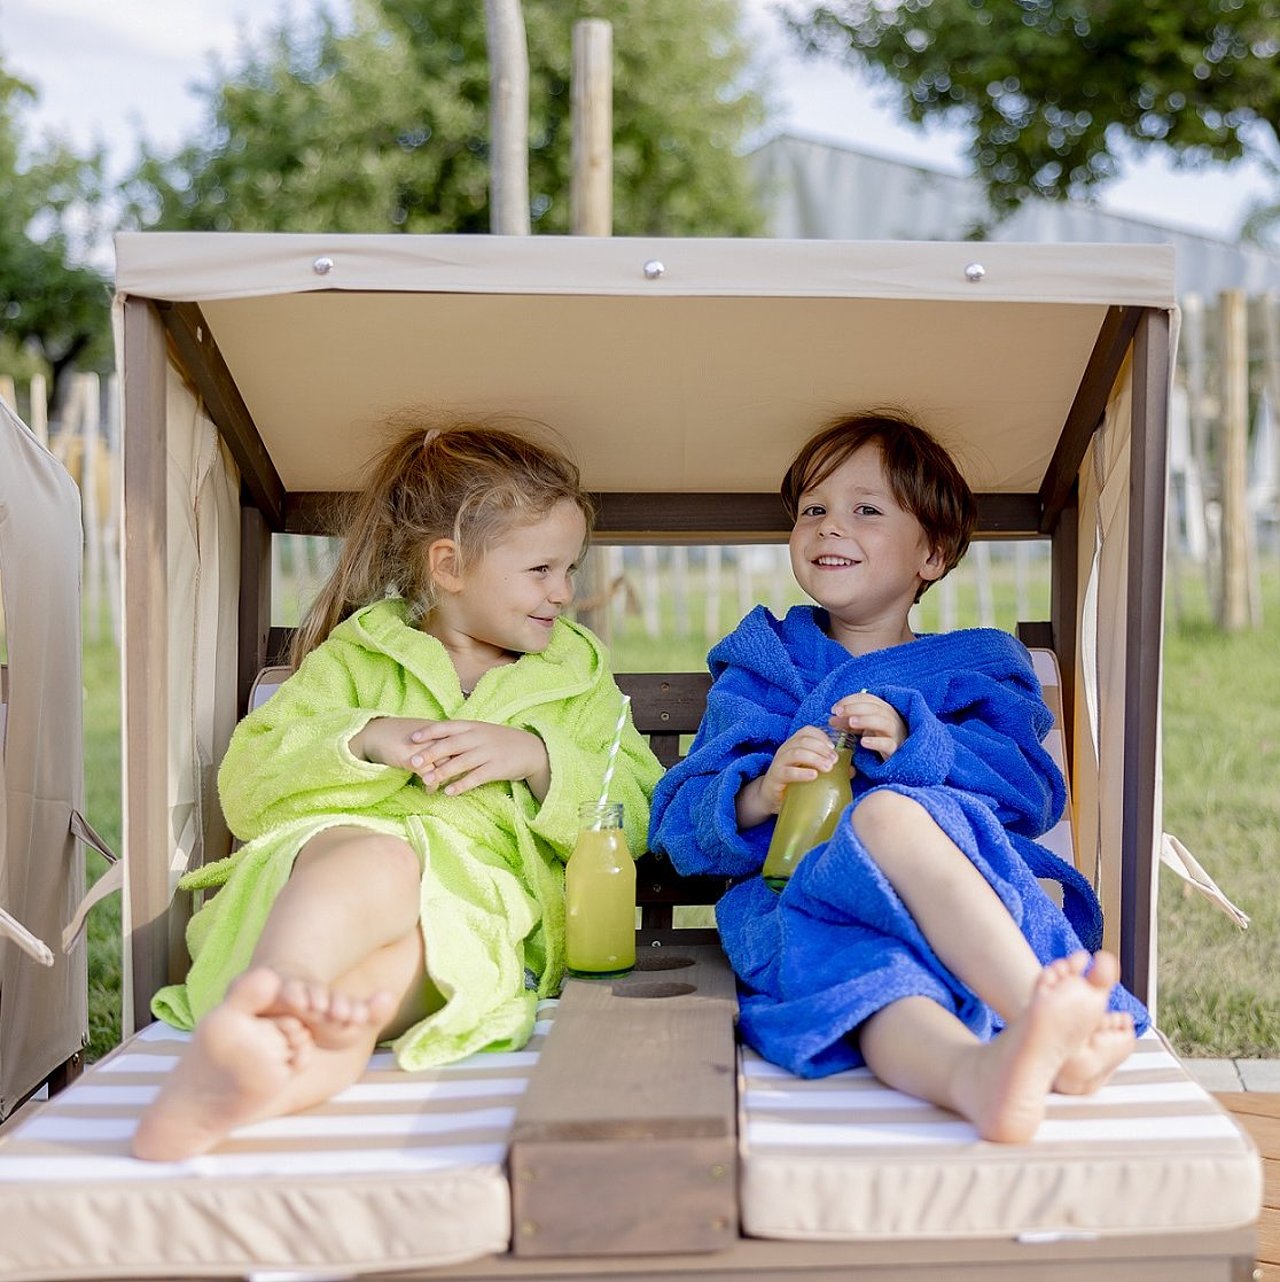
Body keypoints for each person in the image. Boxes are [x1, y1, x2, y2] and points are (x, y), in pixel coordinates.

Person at [133, 420, 662, 1162]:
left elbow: (637, 810)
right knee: (380, 862)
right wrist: (365, 737)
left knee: (377, 991)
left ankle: (259, 1080)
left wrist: (540, 758)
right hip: (316, 891)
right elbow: (248, 785)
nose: (566, 594)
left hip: (473, 916)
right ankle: (275, 993)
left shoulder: (575, 682)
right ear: (449, 565)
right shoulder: (356, 660)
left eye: (570, 569)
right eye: (542, 570)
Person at [649, 410, 1148, 1143]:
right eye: (813, 509)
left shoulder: (976, 671)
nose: (828, 527)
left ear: (933, 556)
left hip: (965, 902)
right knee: (880, 988)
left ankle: (1035, 1014)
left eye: (866, 510)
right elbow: (680, 822)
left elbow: (1031, 791)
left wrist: (920, 745)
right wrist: (760, 790)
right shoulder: (763, 668)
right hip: (812, 904)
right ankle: (977, 1078)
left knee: (883, 815)